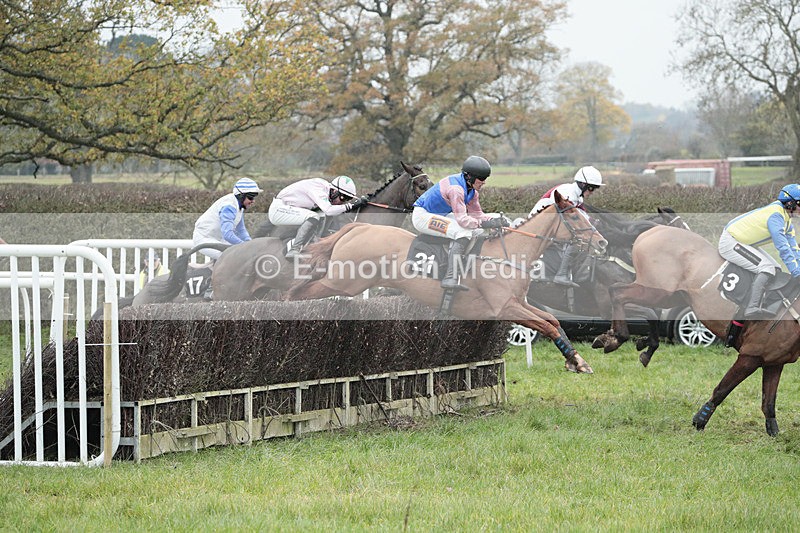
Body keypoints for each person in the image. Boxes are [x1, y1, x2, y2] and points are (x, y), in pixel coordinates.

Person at [411, 155, 507, 291]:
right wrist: (485, 224)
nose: (484, 182)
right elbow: (463, 220)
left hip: (439, 214)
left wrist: (493, 221)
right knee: (463, 232)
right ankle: (450, 277)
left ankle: (467, 266)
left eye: (485, 179)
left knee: (477, 232)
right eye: (482, 179)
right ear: (470, 177)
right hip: (423, 216)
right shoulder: (456, 189)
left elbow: (477, 215)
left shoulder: (472, 191)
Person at [719, 183, 800, 320]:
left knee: (776, 268)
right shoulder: (776, 216)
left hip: (743, 241)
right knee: (767, 267)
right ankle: (752, 306)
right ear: (790, 203)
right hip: (730, 241)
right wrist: (796, 273)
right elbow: (783, 249)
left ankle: (765, 301)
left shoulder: (786, 221)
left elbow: (794, 249)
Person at [529, 165, 604, 287]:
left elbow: (580, 215)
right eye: (591, 188)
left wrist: (592, 221)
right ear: (582, 184)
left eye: (594, 189)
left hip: (551, 225)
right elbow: (571, 217)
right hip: (539, 227)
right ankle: (561, 274)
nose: (592, 192)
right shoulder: (567, 193)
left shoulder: (576, 195)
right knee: (576, 237)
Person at [269, 175, 368, 259]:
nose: (342, 202)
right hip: (279, 210)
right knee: (313, 216)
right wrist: (352, 206)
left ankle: (315, 242)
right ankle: (293, 249)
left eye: (347, 199)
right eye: (342, 198)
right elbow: (328, 210)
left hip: (290, 208)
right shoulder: (319, 189)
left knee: (320, 214)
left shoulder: (327, 189)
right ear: (334, 191)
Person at [193, 178, 262, 260]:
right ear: (241, 196)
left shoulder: (239, 206)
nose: (253, 201)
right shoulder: (228, 207)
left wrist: (250, 243)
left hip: (218, 238)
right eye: (250, 198)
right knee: (232, 258)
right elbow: (227, 234)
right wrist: (245, 247)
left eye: (254, 197)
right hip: (204, 238)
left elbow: (241, 230)